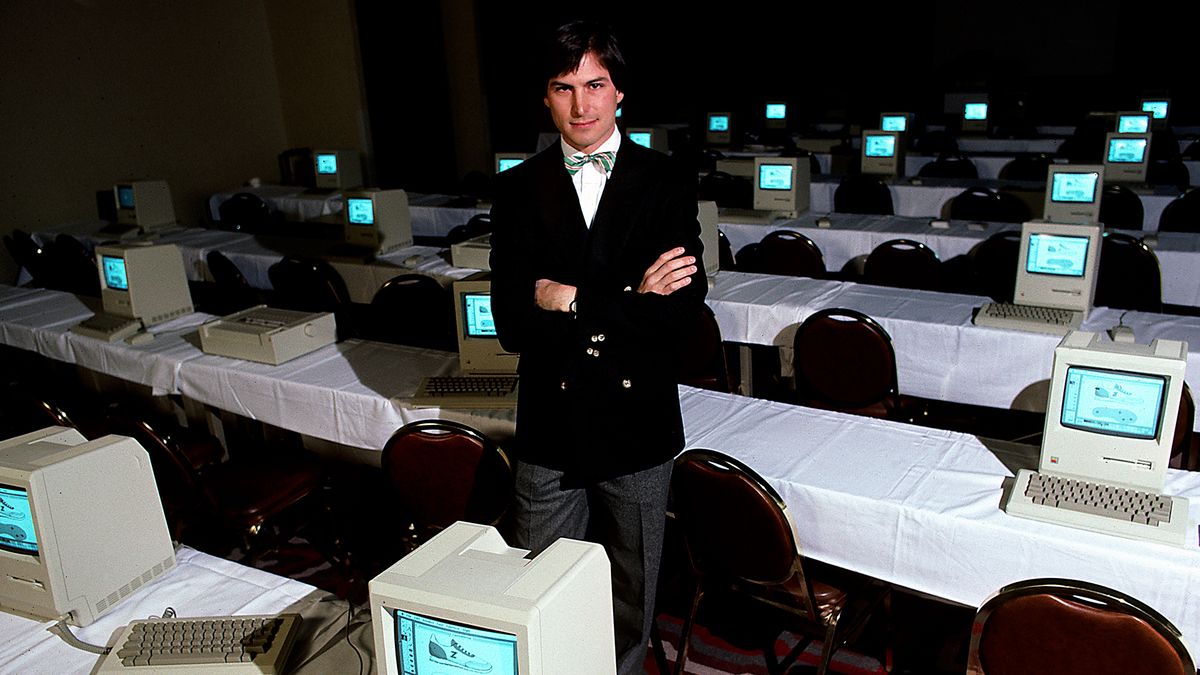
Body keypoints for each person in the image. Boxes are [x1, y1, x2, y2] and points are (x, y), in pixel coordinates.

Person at [489, 20, 707, 675]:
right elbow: (508, 322)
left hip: (636, 426)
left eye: (595, 85)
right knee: (534, 585)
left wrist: (572, 298)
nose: (581, 105)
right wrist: (627, 297)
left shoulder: (666, 180)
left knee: (631, 598)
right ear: (546, 98)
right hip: (549, 426)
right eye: (564, 87)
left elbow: (676, 318)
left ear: (620, 94)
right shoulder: (517, 188)